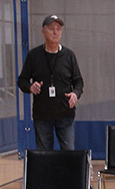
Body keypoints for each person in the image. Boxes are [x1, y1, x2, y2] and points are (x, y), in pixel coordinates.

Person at [17, 14, 84, 151]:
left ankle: (67, 173)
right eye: (51, 28)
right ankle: (46, 173)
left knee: (68, 152)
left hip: (65, 114)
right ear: (43, 31)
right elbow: (22, 80)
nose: (55, 32)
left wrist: (75, 94)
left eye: (58, 29)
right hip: (42, 115)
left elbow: (78, 81)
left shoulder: (69, 55)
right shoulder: (34, 56)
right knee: (44, 155)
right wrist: (30, 87)